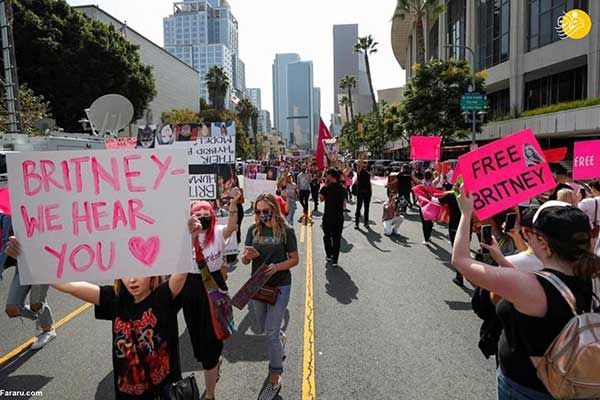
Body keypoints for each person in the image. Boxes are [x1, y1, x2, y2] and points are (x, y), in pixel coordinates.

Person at [452, 189, 599, 400]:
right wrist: (502, 259)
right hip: (574, 380)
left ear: (544, 244)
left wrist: (466, 213)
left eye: (532, 235)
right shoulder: (589, 272)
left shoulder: (530, 285)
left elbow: (460, 261)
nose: (526, 236)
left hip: (527, 388)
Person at [6, 241, 189, 399]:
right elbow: (72, 287)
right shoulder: (115, 299)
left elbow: (180, 273)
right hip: (128, 393)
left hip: (165, 391)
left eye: (140, 272)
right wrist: (29, 260)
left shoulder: (163, 296)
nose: (132, 279)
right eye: (126, 273)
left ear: (153, 272)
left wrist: (190, 236)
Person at [179, 191, 240, 400]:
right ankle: (213, 360)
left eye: (207, 211)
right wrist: (190, 235)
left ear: (213, 215)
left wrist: (233, 203)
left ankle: (210, 393)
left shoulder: (219, 232)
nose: (203, 214)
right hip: (190, 288)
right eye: (198, 212)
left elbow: (232, 225)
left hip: (213, 286)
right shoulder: (183, 237)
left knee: (211, 339)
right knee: (197, 335)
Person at [241, 193, 299, 400]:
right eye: (258, 211)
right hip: (257, 286)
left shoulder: (286, 231)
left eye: (265, 211)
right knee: (265, 327)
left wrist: (276, 267)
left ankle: (275, 375)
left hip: (280, 285)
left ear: (274, 208)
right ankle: (280, 337)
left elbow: (294, 260)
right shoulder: (252, 230)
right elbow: (245, 261)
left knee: (271, 333)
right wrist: (247, 257)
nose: (261, 215)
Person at [1, 214, 56, 350]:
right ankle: (40, 317)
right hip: (23, 265)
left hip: (43, 261)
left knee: (36, 304)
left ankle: (48, 330)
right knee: (12, 309)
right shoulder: (5, 213)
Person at [319, 168, 346, 267]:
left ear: (330, 176)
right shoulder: (342, 188)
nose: (326, 176)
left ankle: (329, 255)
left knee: (327, 236)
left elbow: (321, 199)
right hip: (339, 217)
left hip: (328, 216)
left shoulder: (326, 188)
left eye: (327, 175)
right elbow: (343, 204)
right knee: (337, 238)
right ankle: (335, 259)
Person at [438, 188, 463, 285]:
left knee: (457, 251)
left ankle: (459, 276)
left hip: (455, 226)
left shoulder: (451, 195)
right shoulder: (470, 194)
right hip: (467, 226)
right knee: (464, 250)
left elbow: (436, 201)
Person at [578, 180, 600, 254]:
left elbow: (575, 212)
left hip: (592, 231)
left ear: (593, 189)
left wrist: (578, 199)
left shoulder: (588, 202)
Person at [355, 160, 372, 229]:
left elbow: (369, 182)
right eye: (363, 163)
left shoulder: (368, 172)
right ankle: (356, 223)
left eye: (366, 163)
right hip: (360, 191)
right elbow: (359, 167)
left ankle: (366, 222)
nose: (365, 164)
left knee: (367, 208)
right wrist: (362, 158)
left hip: (368, 192)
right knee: (358, 208)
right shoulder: (359, 171)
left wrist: (371, 191)